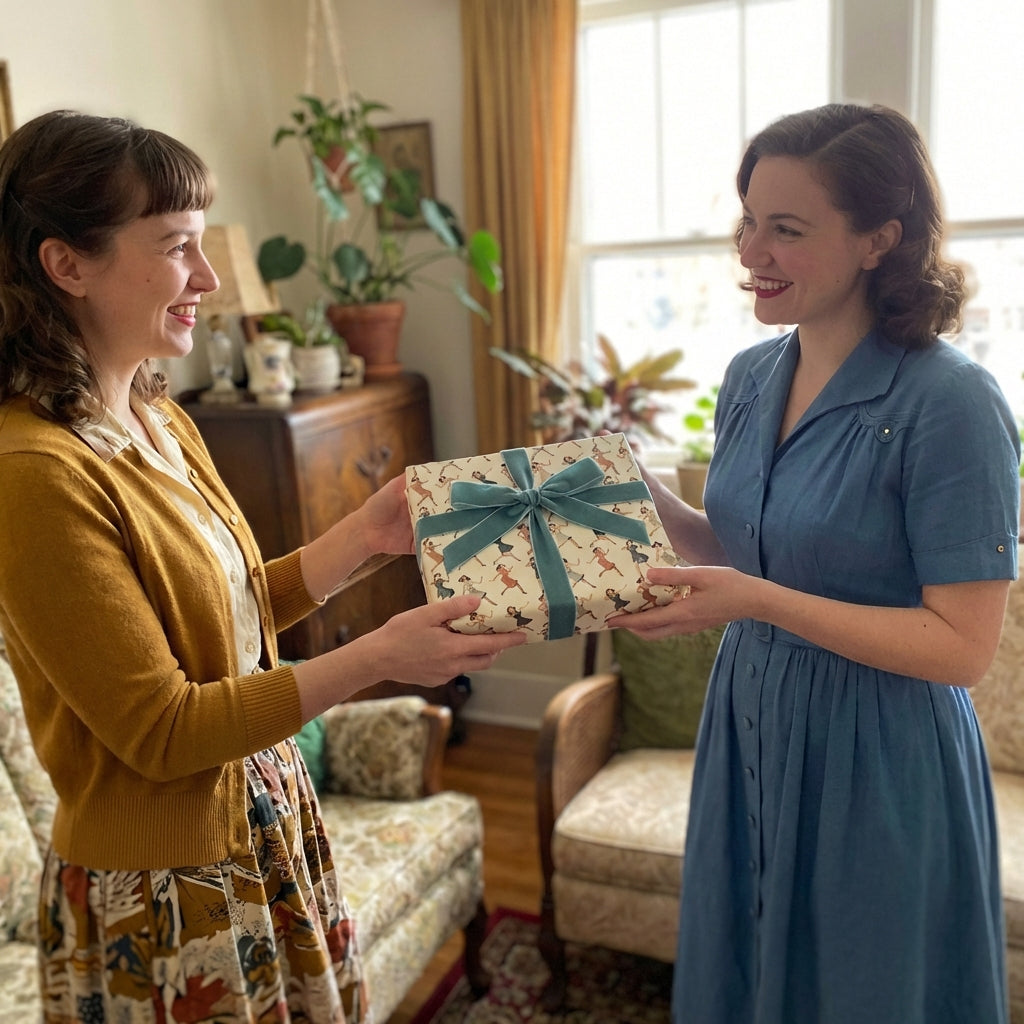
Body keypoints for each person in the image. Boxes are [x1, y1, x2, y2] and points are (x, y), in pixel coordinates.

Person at [0, 109, 526, 1024]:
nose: (207, 278)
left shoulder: (157, 417)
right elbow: (161, 730)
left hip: (262, 817)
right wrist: (382, 655)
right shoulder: (34, 473)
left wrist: (361, 537)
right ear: (66, 264)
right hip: (164, 890)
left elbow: (228, 620)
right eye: (176, 248)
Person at [611, 103, 1019, 1023]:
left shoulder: (951, 404)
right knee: (747, 970)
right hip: (749, 714)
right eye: (748, 220)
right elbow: (750, 552)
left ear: (881, 238)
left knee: (864, 989)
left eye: (787, 230)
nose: (752, 250)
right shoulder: (750, 378)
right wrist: (648, 496)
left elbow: (961, 648)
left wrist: (752, 600)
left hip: (878, 752)